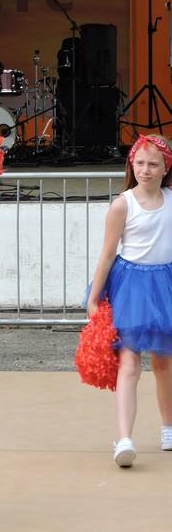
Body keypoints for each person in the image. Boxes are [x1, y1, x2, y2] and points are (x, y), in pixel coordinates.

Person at [85, 134, 172, 468]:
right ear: (131, 164)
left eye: (153, 164)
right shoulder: (123, 204)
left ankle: (168, 427)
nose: (145, 170)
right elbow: (107, 254)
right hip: (131, 288)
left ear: (166, 168)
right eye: (140, 163)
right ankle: (124, 438)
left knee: (164, 363)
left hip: (164, 286)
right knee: (129, 362)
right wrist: (95, 296)